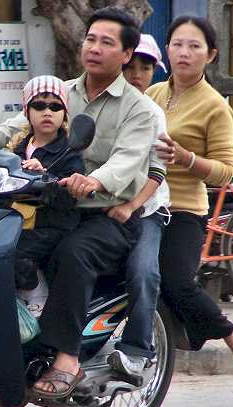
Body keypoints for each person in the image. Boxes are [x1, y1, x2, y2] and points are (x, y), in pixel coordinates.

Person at [0, 7, 161, 396]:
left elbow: (128, 157)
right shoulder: (63, 92)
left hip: (107, 214)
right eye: (91, 39)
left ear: (126, 54)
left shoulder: (140, 109)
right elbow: (14, 126)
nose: (94, 48)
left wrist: (93, 179)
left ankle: (67, 358)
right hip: (51, 205)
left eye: (107, 42)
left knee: (72, 254)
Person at [146, 16, 233, 369]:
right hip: (145, 203)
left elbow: (226, 171)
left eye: (194, 47)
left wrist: (187, 158)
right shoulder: (153, 94)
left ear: (210, 55)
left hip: (183, 209)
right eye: (178, 44)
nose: (184, 53)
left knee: (177, 282)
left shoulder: (216, 106)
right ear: (167, 49)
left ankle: (231, 334)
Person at [106, 34, 170, 376]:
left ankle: (137, 349)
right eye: (130, 67)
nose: (136, 74)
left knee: (143, 272)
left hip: (146, 209)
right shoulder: (104, 105)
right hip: (101, 206)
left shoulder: (153, 114)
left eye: (145, 68)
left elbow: (157, 172)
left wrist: (131, 206)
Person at [9, 75, 84, 309]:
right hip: (18, 222)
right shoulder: (17, 149)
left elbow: (69, 198)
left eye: (55, 106)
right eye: (39, 105)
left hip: (52, 225)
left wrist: (45, 177)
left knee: (14, 252)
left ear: (64, 112)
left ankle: (34, 293)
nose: (47, 112)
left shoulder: (70, 150)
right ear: (27, 111)